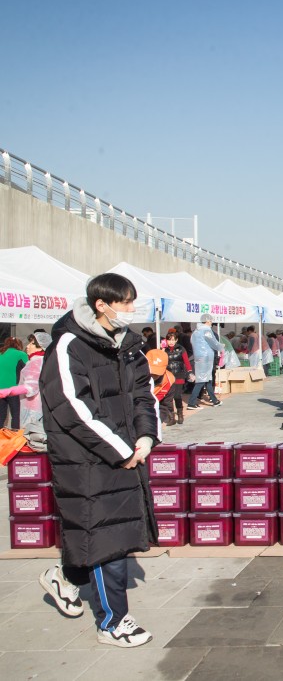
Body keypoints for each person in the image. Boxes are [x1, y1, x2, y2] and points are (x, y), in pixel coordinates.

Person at [38, 272, 159, 647]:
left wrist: (144, 436)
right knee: (111, 540)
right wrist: (120, 450)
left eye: (132, 302)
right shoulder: (69, 345)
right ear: (101, 305)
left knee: (103, 531)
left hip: (125, 453)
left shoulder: (130, 346)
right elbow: (72, 407)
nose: (130, 310)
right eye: (124, 303)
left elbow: (144, 394)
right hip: (87, 458)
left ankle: (66, 576)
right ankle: (112, 622)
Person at [0, 332, 51, 448]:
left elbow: (31, 387)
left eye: (32, 344)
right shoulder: (42, 360)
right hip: (32, 402)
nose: (27, 346)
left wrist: (6, 391)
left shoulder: (36, 361)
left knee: (30, 438)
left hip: (30, 406)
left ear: (41, 346)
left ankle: (10, 441)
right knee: (15, 416)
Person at [187, 314, 222, 410]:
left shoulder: (195, 331)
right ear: (207, 321)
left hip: (199, 357)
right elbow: (213, 343)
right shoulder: (206, 330)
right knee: (201, 380)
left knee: (207, 380)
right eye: (211, 321)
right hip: (205, 358)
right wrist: (221, 347)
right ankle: (191, 402)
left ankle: (215, 400)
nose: (211, 322)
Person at [162, 332, 192, 426]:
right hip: (168, 375)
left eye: (172, 340)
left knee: (177, 396)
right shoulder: (164, 350)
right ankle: (171, 417)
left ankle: (180, 414)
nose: (171, 342)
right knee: (168, 398)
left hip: (179, 374)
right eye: (169, 340)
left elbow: (186, 361)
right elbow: (161, 360)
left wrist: (190, 372)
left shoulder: (181, 349)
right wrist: (162, 349)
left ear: (176, 340)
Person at [0, 337, 29, 429]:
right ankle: (14, 436)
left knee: (1, 414)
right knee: (16, 414)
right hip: (14, 389)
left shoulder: (1, 354)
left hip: (1, 389)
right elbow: (29, 368)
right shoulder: (21, 354)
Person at [147, 349, 175, 425]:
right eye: (151, 372)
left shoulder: (169, 381)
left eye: (157, 373)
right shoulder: (135, 377)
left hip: (154, 414)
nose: (153, 375)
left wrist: (159, 418)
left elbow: (166, 404)